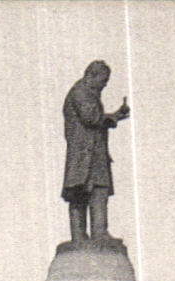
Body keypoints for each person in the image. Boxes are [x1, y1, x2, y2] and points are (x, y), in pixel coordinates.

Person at [61, 60, 130, 242]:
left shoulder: (85, 92)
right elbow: (90, 117)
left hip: (89, 153)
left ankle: (85, 235)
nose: (104, 85)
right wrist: (113, 117)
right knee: (92, 190)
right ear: (92, 75)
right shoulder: (81, 92)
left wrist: (115, 116)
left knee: (85, 191)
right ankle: (93, 234)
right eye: (103, 80)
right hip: (86, 154)